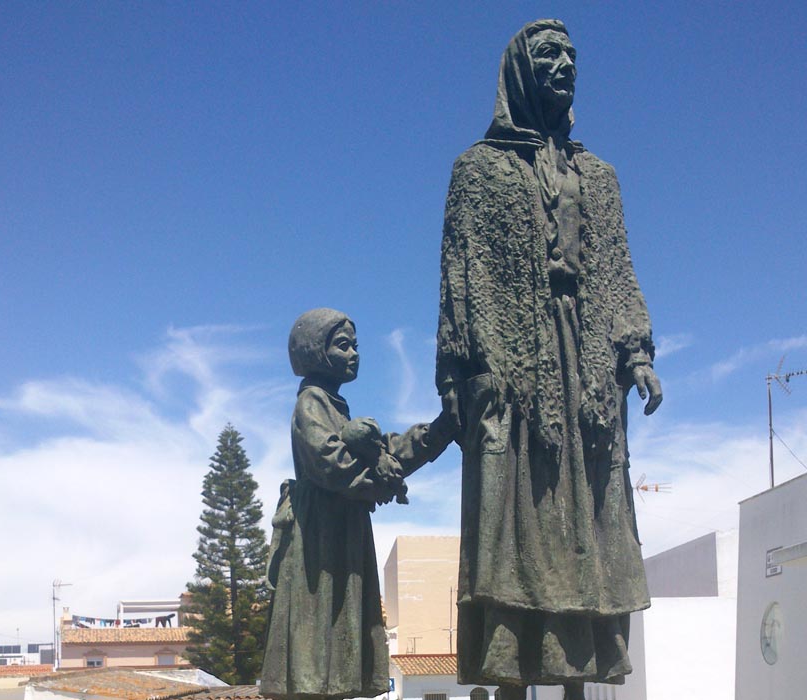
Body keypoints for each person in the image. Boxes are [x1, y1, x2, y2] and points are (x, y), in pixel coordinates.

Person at [435, 19, 662, 698]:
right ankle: (510, 687)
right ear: (519, 70)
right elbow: (459, 276)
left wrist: (637, 353)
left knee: (586, 519)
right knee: (515, 522)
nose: (564, 64)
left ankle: (574, 689)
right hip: (512, 370)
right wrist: (461, 370)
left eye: (571, 54)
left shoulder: (599, 175)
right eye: (548, 54)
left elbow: (618, 270)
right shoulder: (478, 169)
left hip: (588, 372)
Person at [262, 308, 454, 700]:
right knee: (318, 638)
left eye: (355, 345)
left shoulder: (335, 404)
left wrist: (436, 433)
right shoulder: (311, 403)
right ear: (316, 351)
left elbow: (383, 454)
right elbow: (332, 464)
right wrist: (381, 475)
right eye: (343, 345)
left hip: (341, 528)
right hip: (320, 536)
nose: (354, 353)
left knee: (337, 635)